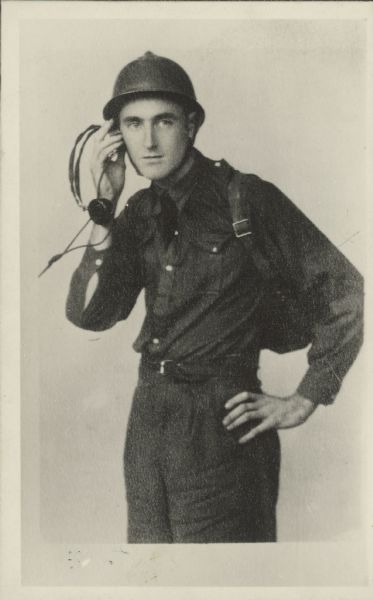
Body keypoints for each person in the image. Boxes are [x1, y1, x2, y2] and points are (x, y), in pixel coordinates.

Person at [66, 51, 364, 543]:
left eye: (163, 121)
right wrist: (105, 210)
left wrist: (308, 397)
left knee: (225, 582)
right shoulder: (140, 211)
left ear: (192, 124)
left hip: (221, 429)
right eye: (133, 124)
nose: (149, 140)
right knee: (153, 577)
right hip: (148, 426)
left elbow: (348, 291)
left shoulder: (247, 199)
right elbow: (91, 315)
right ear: (116, 136)